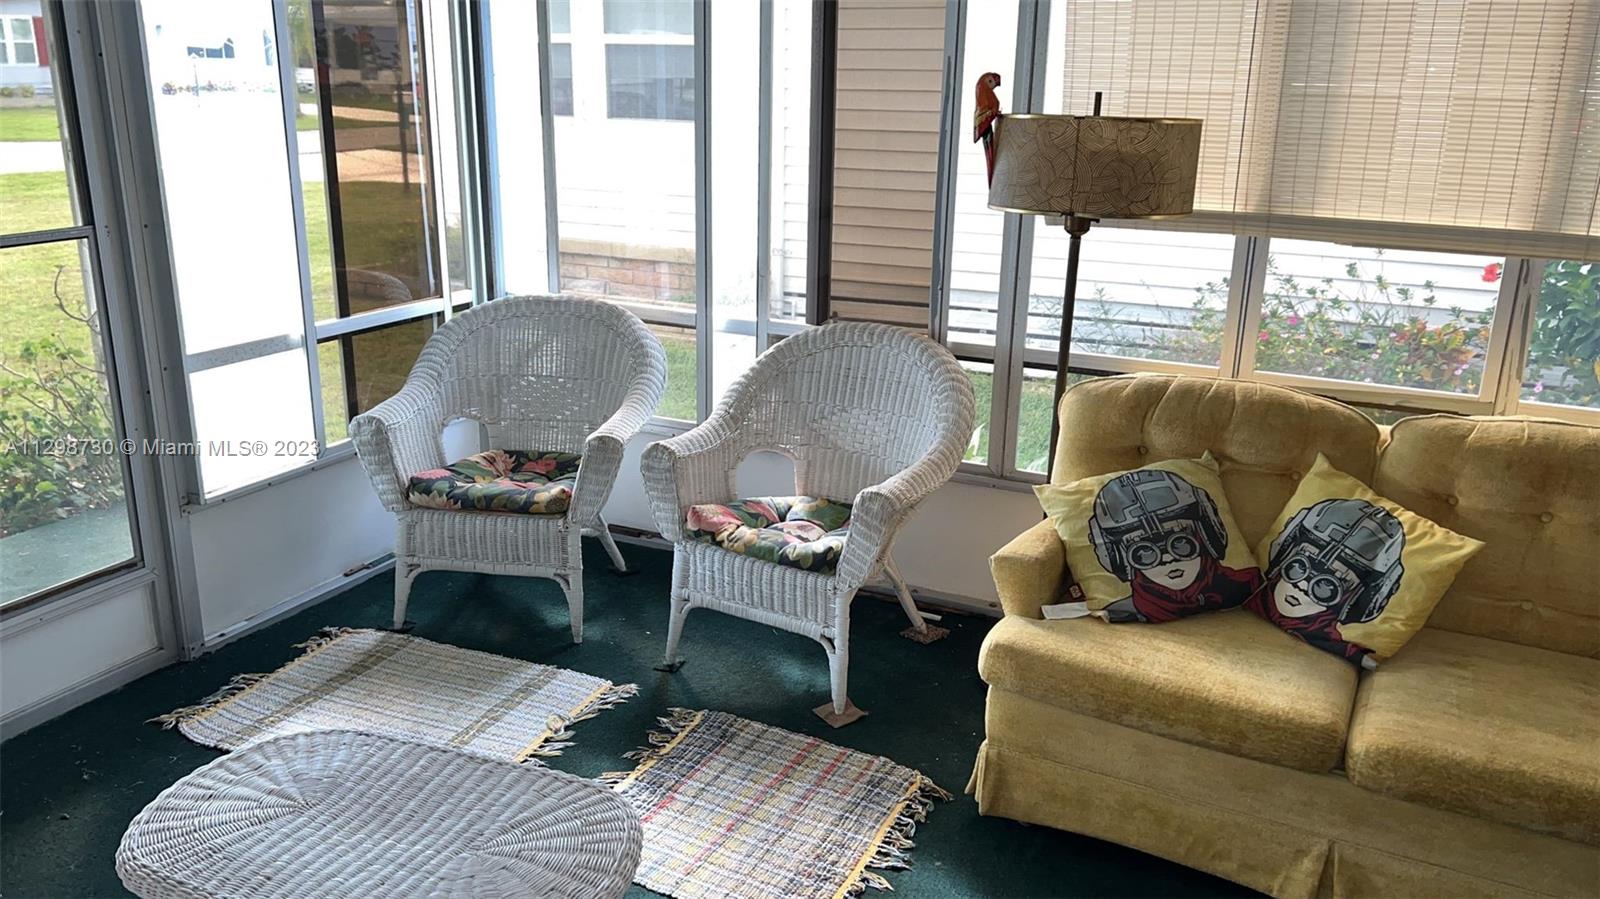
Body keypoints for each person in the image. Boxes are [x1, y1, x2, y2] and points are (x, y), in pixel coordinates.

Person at [1248, 498, 1406, 666]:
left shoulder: (1346, 647)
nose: (1302, 586)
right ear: (1284, 553)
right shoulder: (1245, 585)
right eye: (1298, 568)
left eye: (1325, 588)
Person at [1088, 470, 1261, 622]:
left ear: (1207, 536)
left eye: (1181, 543)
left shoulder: (1253, 586)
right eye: (1144, 553)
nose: (1167, 559)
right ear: (1117, 558)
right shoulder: (1121, 611)